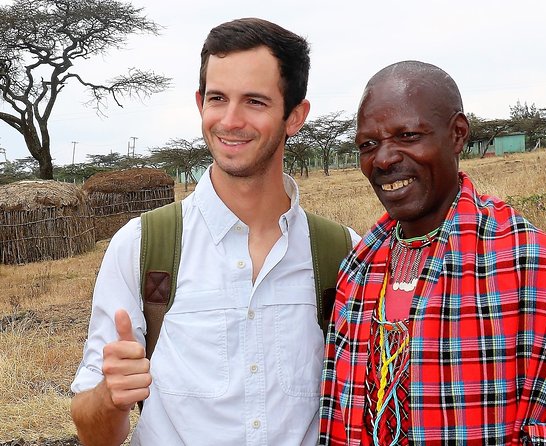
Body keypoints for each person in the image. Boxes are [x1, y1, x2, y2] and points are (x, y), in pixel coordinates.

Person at [70, 18, 358, 445]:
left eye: (255, 102)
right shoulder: (140, 247)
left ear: (295, 115)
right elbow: (95, 434)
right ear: (199, 102)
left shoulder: (342, 253)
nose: (230, 120)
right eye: (217, 98)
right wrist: (110, 398)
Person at [319, 61, 546, 445]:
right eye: (368, 144)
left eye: (408, 135)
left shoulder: (528, 263)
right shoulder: (359, 266)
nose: (383, 159)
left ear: (457, 134)